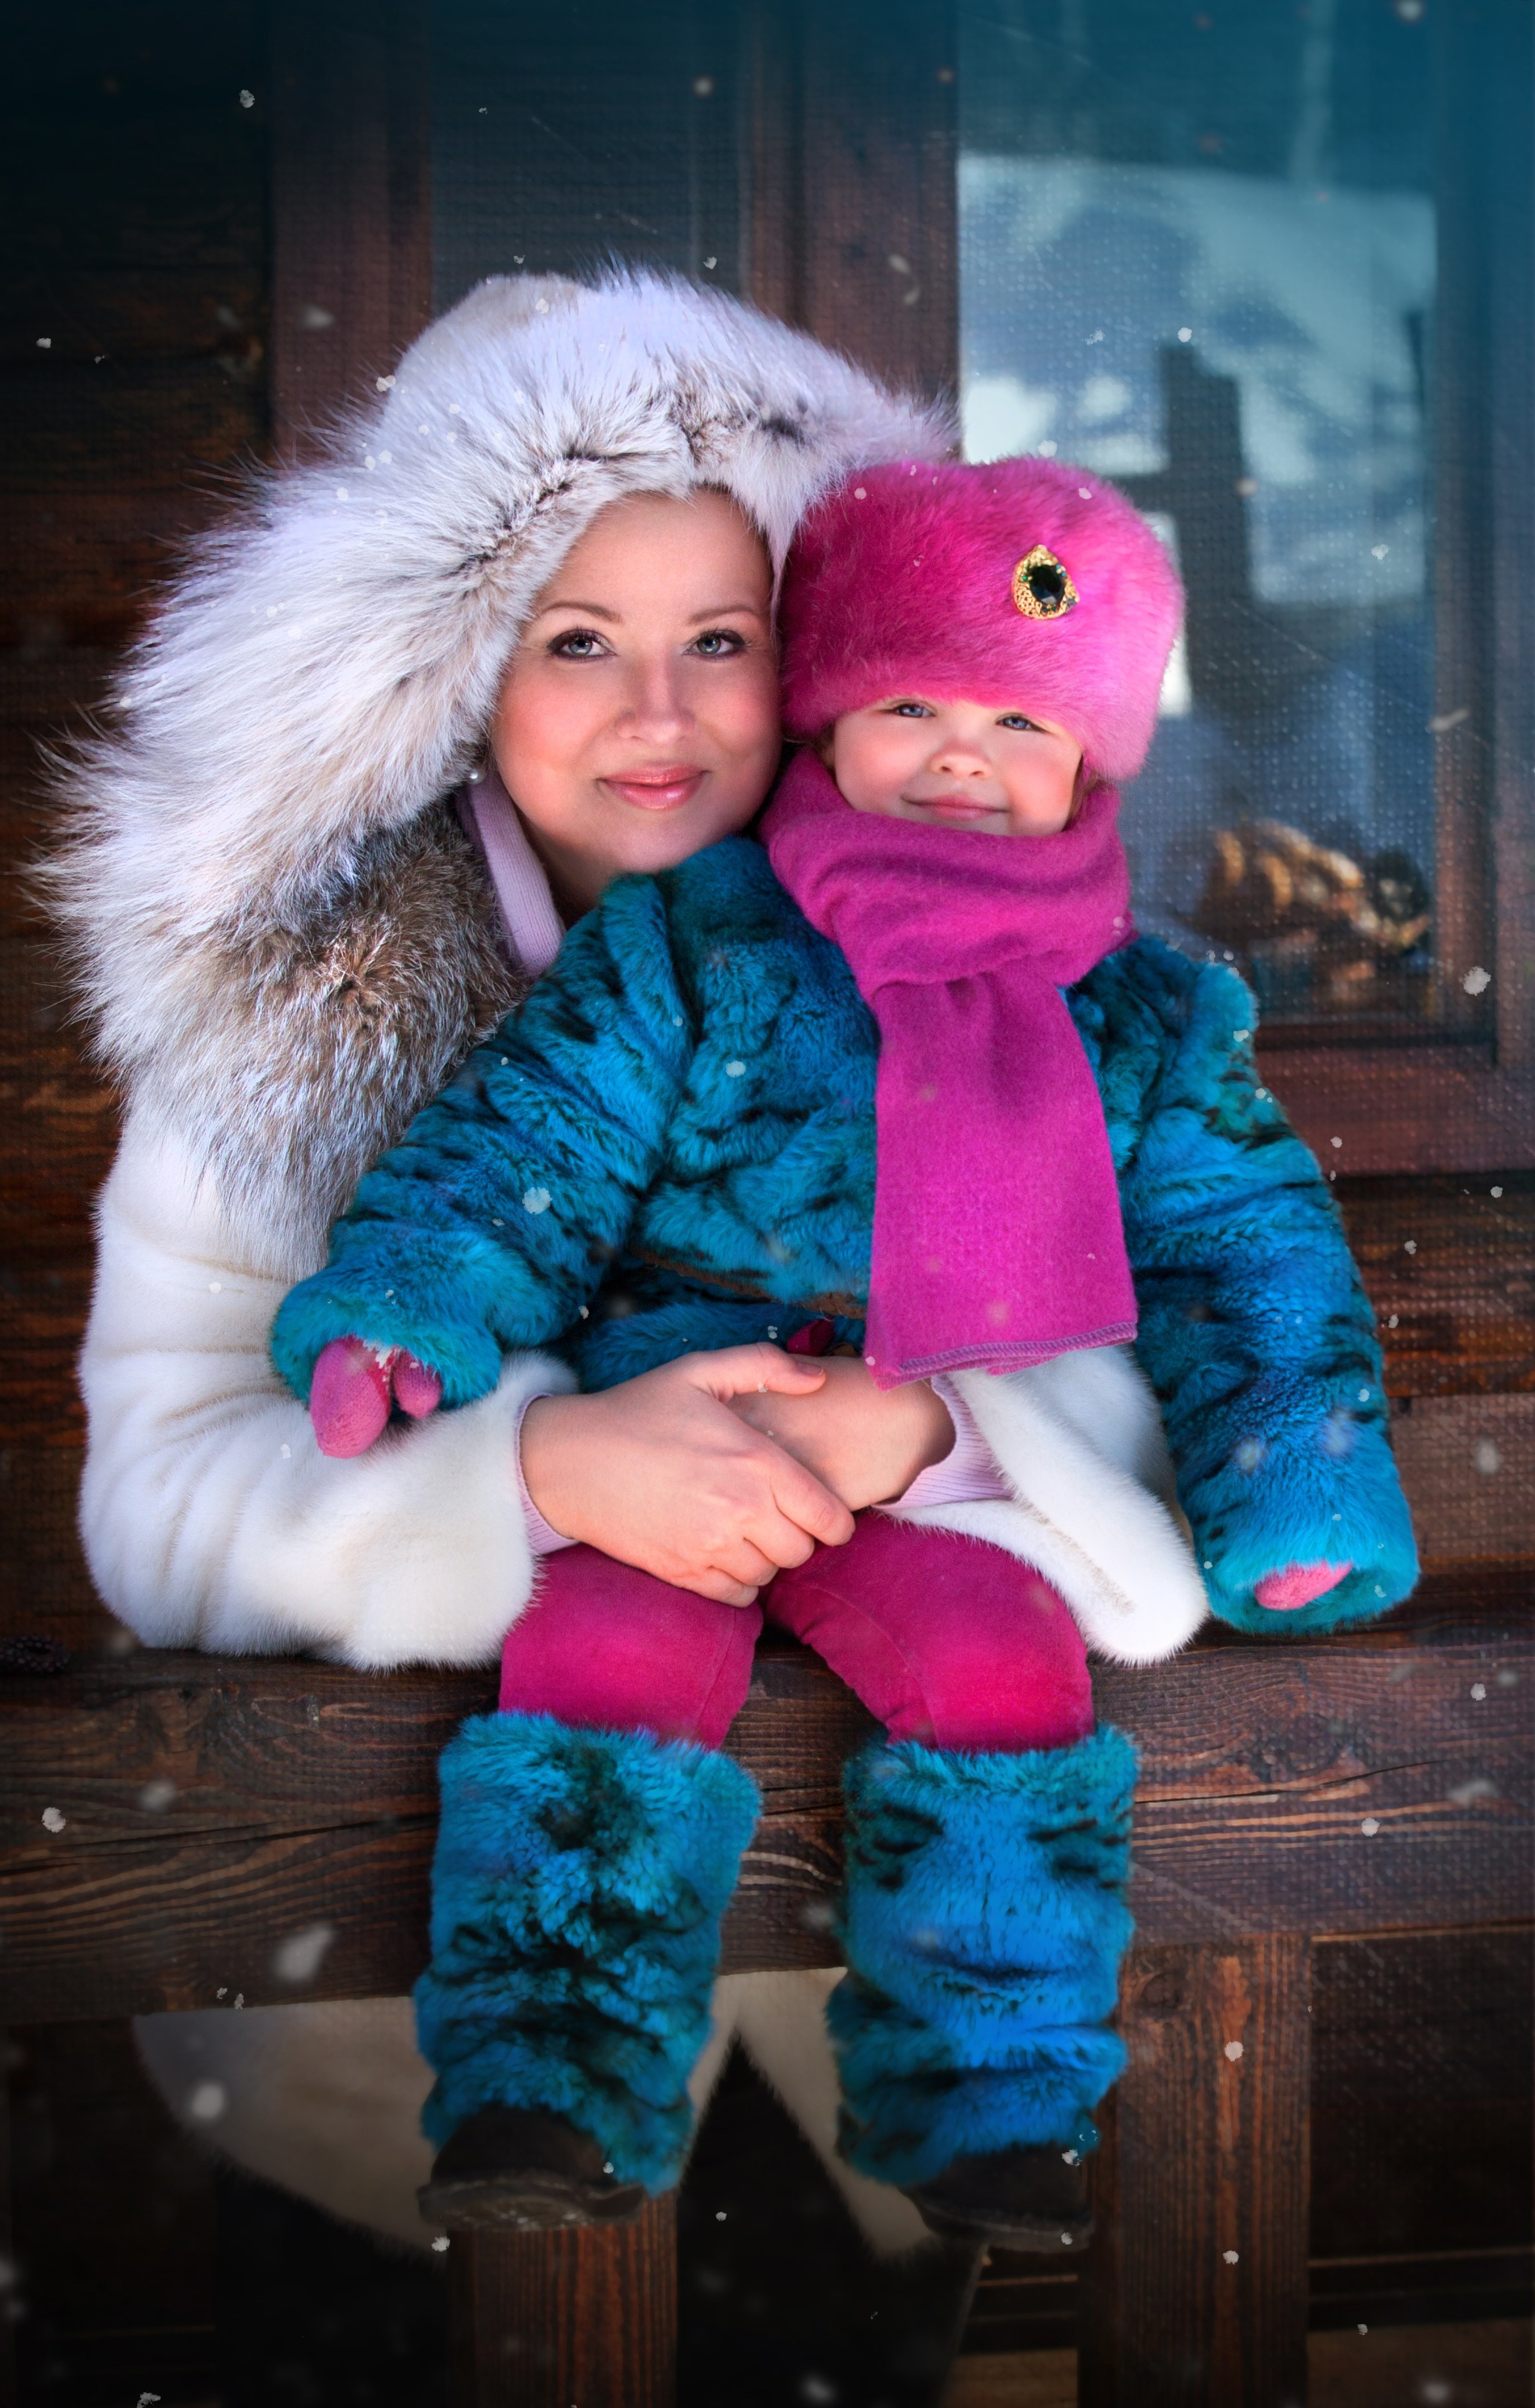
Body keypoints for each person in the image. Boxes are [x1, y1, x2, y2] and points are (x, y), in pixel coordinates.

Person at [272, 459, 1418, 2248]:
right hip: (680, 1405)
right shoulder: (702, 935)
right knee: (604, 1650)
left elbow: (1241, 1253)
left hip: (942, 1453)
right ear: (824, 719)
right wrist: (407, 1308)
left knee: (1003, 1662)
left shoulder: (1142, 1015)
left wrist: (1299, 1484)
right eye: (908, 704)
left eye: (1018, 717)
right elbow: (535, 1137)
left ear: (1094, 761)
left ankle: (990, 2087)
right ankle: (545, 2068)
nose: (961, 752)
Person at [55, 268, 959, 2256]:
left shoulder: (947, 982)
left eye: (720, 639)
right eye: (578, 642)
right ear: (458, 670)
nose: (659, 715)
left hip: (847, 2037)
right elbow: (160, 1500)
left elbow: (1123, 1366)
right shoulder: (279, 1019)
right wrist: (538, 1471)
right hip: (377, 2070)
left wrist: (935, 1426)